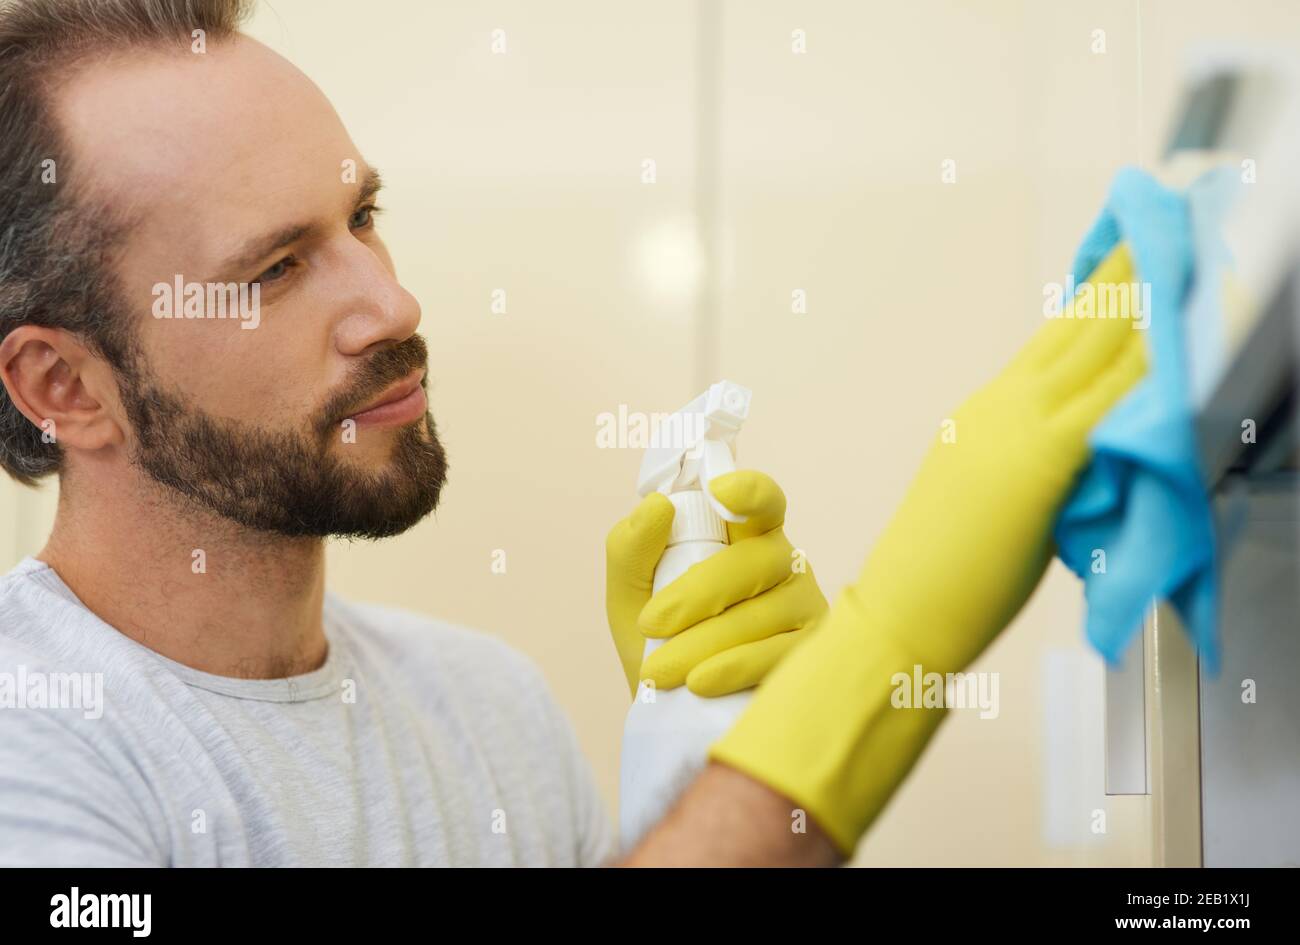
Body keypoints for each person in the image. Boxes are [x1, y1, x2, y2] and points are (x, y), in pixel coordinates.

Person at [0, 0, 1145, 867]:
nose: (391, 307)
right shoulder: (34, 749)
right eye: (278, 267)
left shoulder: (488, 710)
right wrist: (881, 662)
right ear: (65, 385)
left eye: (364, 218)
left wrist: (708, 754)